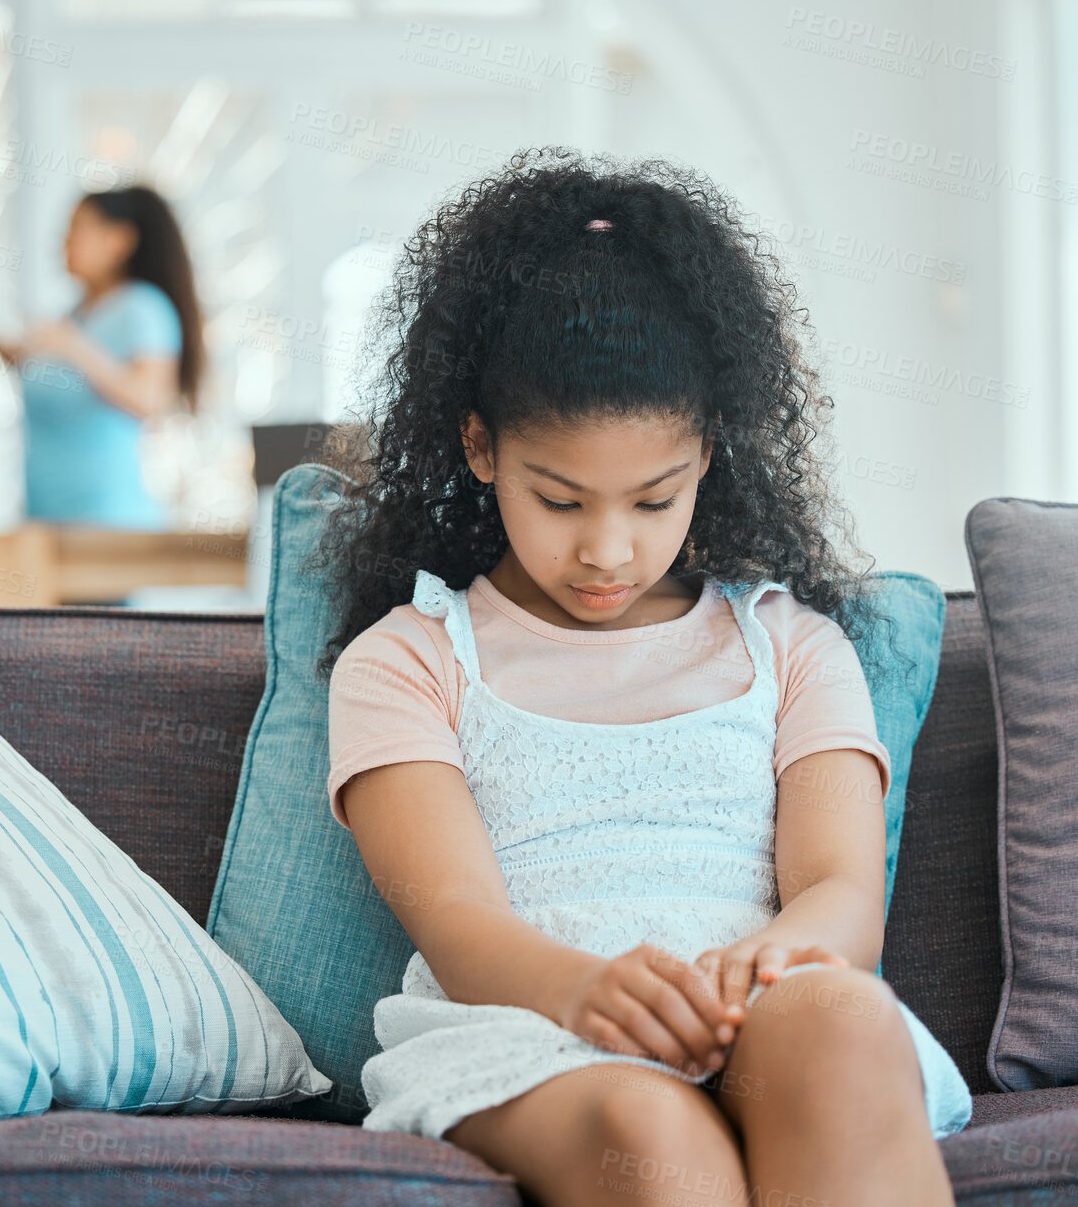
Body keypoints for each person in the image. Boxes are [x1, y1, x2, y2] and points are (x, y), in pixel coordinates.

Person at [311, 147, 971, 1206]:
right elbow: (459, 924)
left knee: (837, 1017)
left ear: (706, 455)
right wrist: (591, 994)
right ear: (479, 448)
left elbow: (839, 895)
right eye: (561, 502)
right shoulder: (408, 660)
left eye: (651, 501)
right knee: (648, 1127)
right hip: (530, 1034)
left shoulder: (793, 647)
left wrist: (758, 970)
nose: (607, 551)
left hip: (758, 1015)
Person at [0, 186, 202, 529]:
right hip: (45, 518)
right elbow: (18, 359)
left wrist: (75, 348)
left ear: (119, 240)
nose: (63, 243)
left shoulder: (141, 309)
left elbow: (152, 400)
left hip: (108, 522)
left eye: (76, 228)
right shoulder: (76, 316)